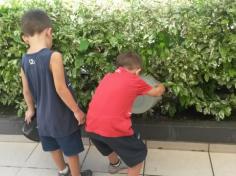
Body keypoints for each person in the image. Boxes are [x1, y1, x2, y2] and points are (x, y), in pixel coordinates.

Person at [20, 9, 92, 176]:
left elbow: (26, 90)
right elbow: (61, 88)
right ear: (49, 32)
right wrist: (77, 111)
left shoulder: (23, 60)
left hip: (43, 118)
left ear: (25, 38)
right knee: (71, 151)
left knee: (52, 146)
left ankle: (62, 171)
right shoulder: (54, 56)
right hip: (62, 116)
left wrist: (31, 109)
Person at [85, 52, 165, 176]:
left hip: (91, 126)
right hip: (113, 128)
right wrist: (161, 86)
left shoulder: (107, 76)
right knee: (138, 155)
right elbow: (156, 92)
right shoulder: (135, 80)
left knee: (107, 144)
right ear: (138, 70)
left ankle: (114, 165)